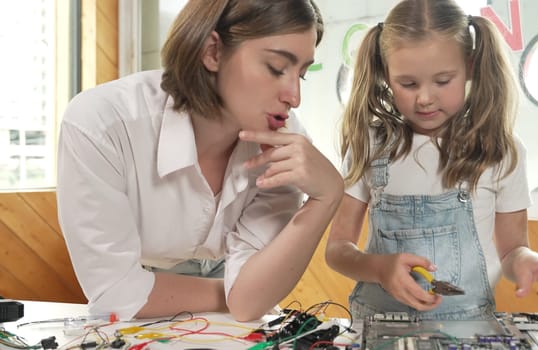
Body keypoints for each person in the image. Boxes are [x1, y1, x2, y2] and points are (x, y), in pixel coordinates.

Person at [56, 0, 343, 322]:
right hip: (146, 294)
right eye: (276, 68)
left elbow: (248, 305)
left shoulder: (286, 146)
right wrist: (237, 292)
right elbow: (115, 294)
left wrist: (328, 196)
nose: (294, 97)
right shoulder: (101, 123)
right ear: (213, 52)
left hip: (220, 285)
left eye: (301, 75)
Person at [325, 0, 538, 321]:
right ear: (384, 74)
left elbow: (511, 251)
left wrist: (527, 261)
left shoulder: (501, 151)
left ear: (470, 66)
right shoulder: (370, 144)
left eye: (443, 80)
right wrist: (378, 268)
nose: (424, 97)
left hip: (467, 328)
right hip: (379, 326)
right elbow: (337, 249)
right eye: (408, 84)